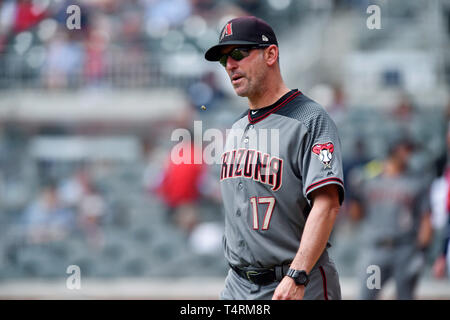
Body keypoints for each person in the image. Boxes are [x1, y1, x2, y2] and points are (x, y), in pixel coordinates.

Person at [204, 16, 345, 300]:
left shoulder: (310, 119)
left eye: (239, 53)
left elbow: (327, 204)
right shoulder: (236, 128)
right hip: (238, 285)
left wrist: (298, 274)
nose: (230, 65)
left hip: (296, 283)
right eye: (224, 60)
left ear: (271, 54)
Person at [348, 138, 433, 299]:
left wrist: (422, 252)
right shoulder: (371, 177)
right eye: (406, 149)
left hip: (405, 249)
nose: (410, 154)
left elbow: (426, 219)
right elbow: (356, 216)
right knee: (367, 295)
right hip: (376, 249)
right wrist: (354, 196)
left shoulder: (417, 180)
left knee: (405, 296)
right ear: (393, 149)